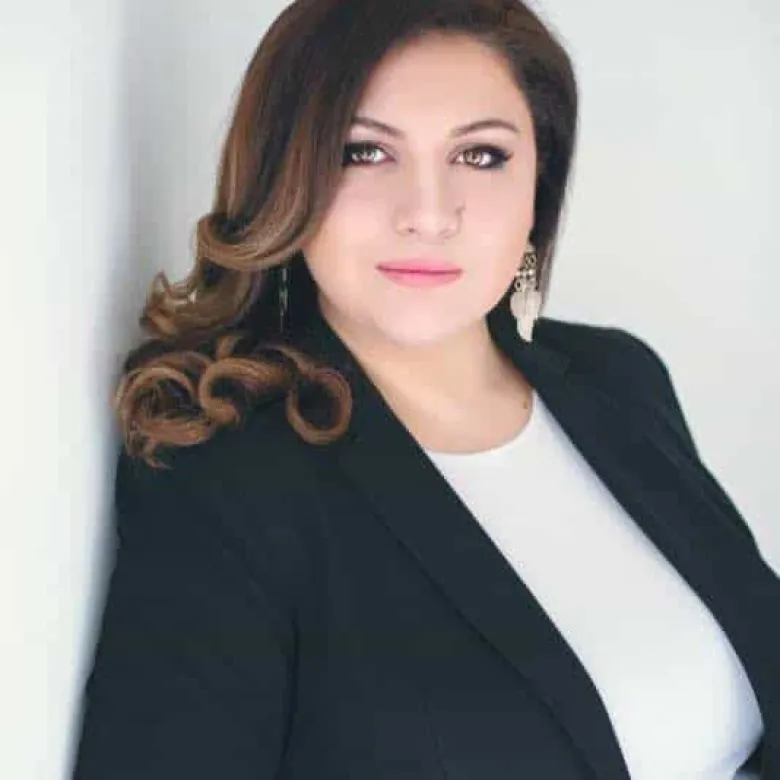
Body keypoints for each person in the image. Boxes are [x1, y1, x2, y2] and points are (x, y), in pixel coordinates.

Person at [70, 1, 779, 778]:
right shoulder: (224, 476)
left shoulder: (620, 378)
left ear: (539, 187)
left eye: (480, 155)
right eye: (365, 152)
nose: (428, 214)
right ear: (284, 178)